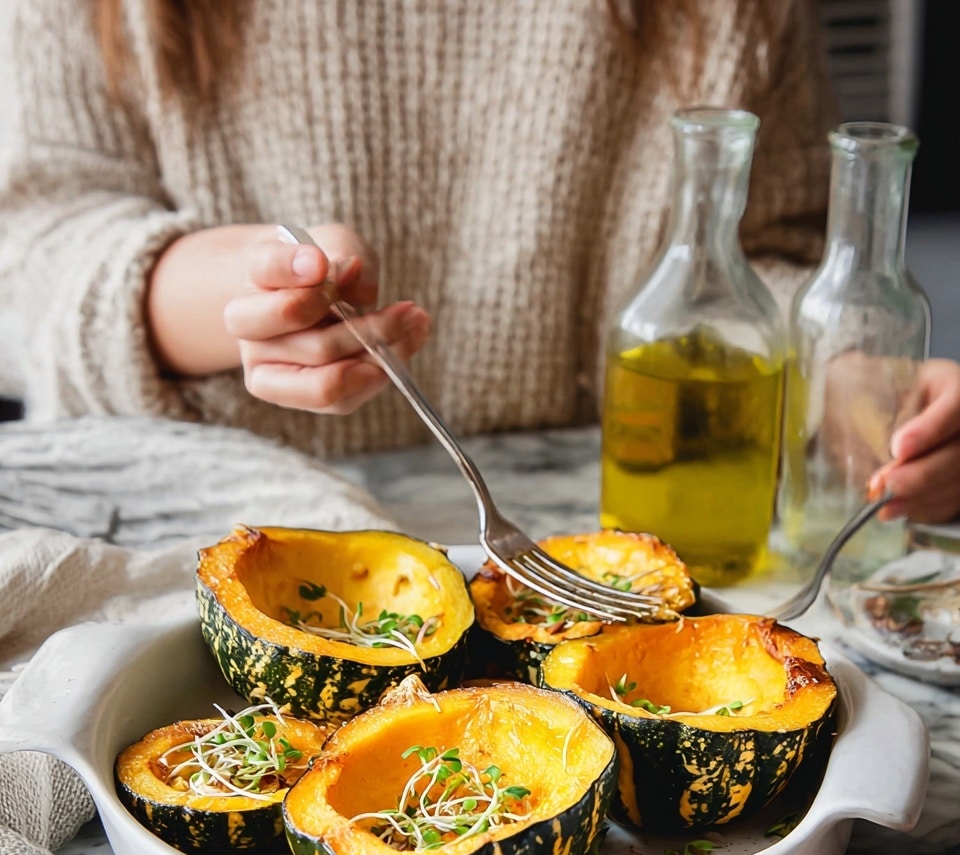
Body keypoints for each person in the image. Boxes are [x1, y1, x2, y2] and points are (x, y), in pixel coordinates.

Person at [1, 0, 959, 524]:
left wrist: (861, 385)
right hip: (173, 528)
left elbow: (766, 257)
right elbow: (39, 245)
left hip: (618, 522)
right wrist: (240, 291)